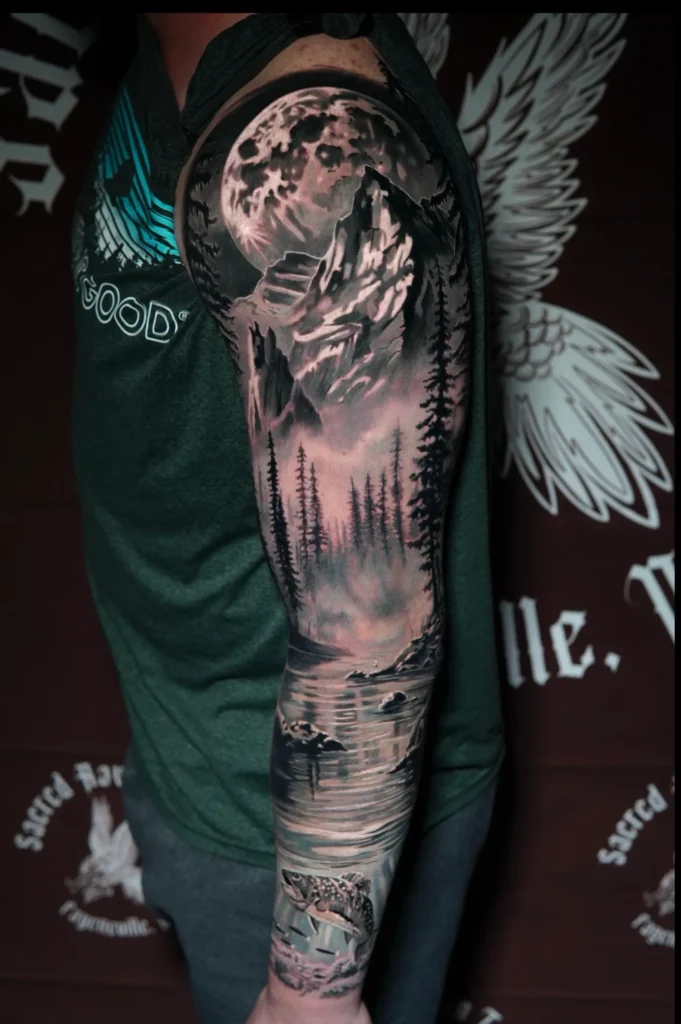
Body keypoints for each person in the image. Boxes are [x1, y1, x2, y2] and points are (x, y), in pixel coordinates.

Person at [70, 12, 505, 1024]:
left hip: (286, 836)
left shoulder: (312, 144)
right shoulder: (183, 52)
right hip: (199, 743)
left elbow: (368, 630)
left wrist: (312, 994)